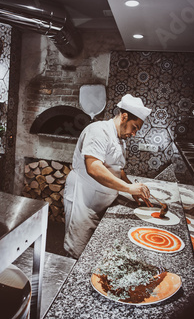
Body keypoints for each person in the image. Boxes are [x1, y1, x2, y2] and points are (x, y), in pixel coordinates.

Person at [63, 94, 152, 258]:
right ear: (124, 117)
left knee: (93, 250)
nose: (134, 133)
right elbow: (94, 168)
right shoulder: (99, 130)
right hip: (84, 198)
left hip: (100, 200)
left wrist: (132, 189)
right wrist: (129, 188)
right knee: (78, 250)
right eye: (134, 127)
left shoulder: (120, 139)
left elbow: (117, 169)